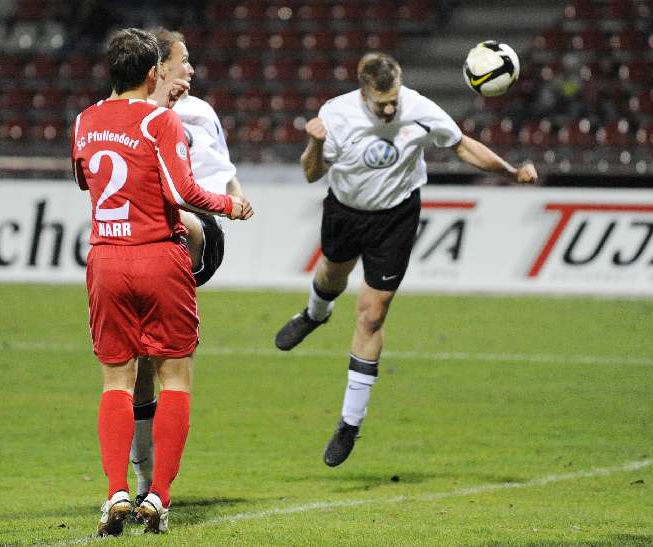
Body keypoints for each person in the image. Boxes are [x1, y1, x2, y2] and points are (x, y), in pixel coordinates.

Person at [274, 52, 537, 467]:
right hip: (345, 210)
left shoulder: (420, 110)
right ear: (363, 94)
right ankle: (314, 314)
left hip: (395, 217)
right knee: (331, 275)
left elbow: (463, 146)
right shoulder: (336, 115)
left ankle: (349, 422)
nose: (391, 108)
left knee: (372, 314)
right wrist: (316, 142)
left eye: (394, 99)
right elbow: (311, 173)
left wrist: (511, 172)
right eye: (383, 104)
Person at [70, 28, 252, 536]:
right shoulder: (161, 120)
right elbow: (182, 189)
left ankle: (116, 494)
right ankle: (159, 498)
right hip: (159, 256)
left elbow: (86, 179)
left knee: (116, 382)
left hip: (106, 257)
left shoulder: (84, 121)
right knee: (175, 378)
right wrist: (230, 205)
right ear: (153, 73)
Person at [129, 27, 249, 510]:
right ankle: (144, 483)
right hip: (145, 246)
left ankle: (153, 487)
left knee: (178, 219)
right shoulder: (126, 115)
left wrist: (235, 196)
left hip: (195, 230)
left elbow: (221, 170)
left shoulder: (199, 113)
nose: (192, 70)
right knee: (140, 364)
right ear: (157, 67)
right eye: (184, 61)